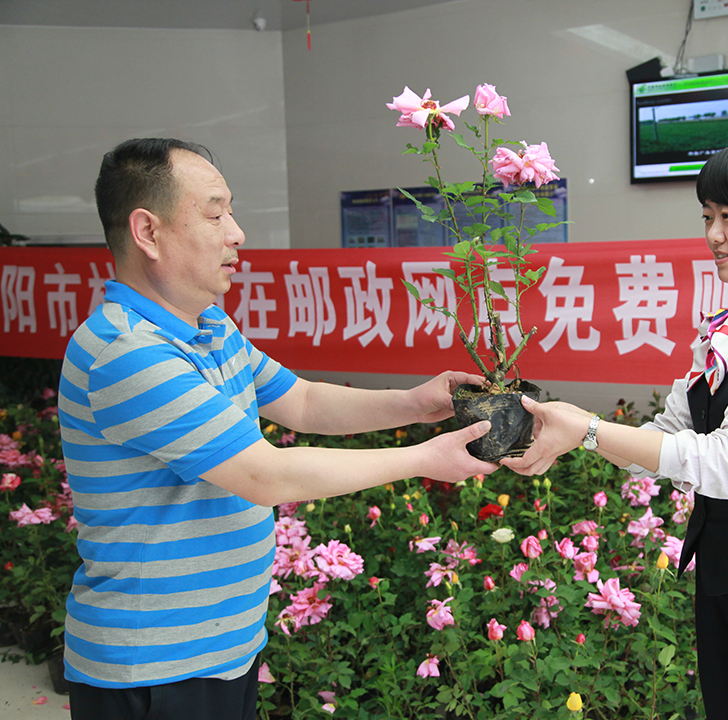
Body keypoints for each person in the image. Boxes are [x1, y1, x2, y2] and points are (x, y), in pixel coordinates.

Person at [57, 138, 497, 720]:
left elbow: (304, 402)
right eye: (214, 214)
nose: (237, 233)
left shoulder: (209, 326)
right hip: (155, 667)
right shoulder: (126, 352)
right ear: (147, 232)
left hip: (221, 649)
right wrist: (425, 459)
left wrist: (414, 404)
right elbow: (265, 475)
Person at [502, 142, 728, 719]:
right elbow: (665, 437)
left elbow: (727, 463)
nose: (714, 235)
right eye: (707, 216)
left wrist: (589, 430)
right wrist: (561, 427)